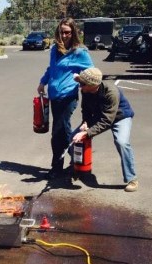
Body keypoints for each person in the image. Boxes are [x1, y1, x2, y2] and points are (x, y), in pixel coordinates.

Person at [37, 18, 94, 180]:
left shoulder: (80, 52)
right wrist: (43, 82)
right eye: (61, 32)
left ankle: (59, 167)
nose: (64, 35)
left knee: (59, 132)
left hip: (68, 96)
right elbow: (51, 69)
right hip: (54, 96)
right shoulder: (55, 49)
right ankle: (76, 163)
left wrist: (80, 79)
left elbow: (92, 73)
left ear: (73, 32)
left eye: (67, 32)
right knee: (63, 131)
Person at [72, 67, 138, 192]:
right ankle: (79, 169)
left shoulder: (111, 92)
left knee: (122, 142)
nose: (80, 86)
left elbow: (108, 120)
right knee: (74, 138)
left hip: (119, 116)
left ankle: (132, 179)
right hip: (101, 115)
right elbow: (85, 109)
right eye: (80, 83)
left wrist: (87, 132)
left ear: (93, 85)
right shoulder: (85, 90)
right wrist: (85, 123)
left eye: (83, 84)